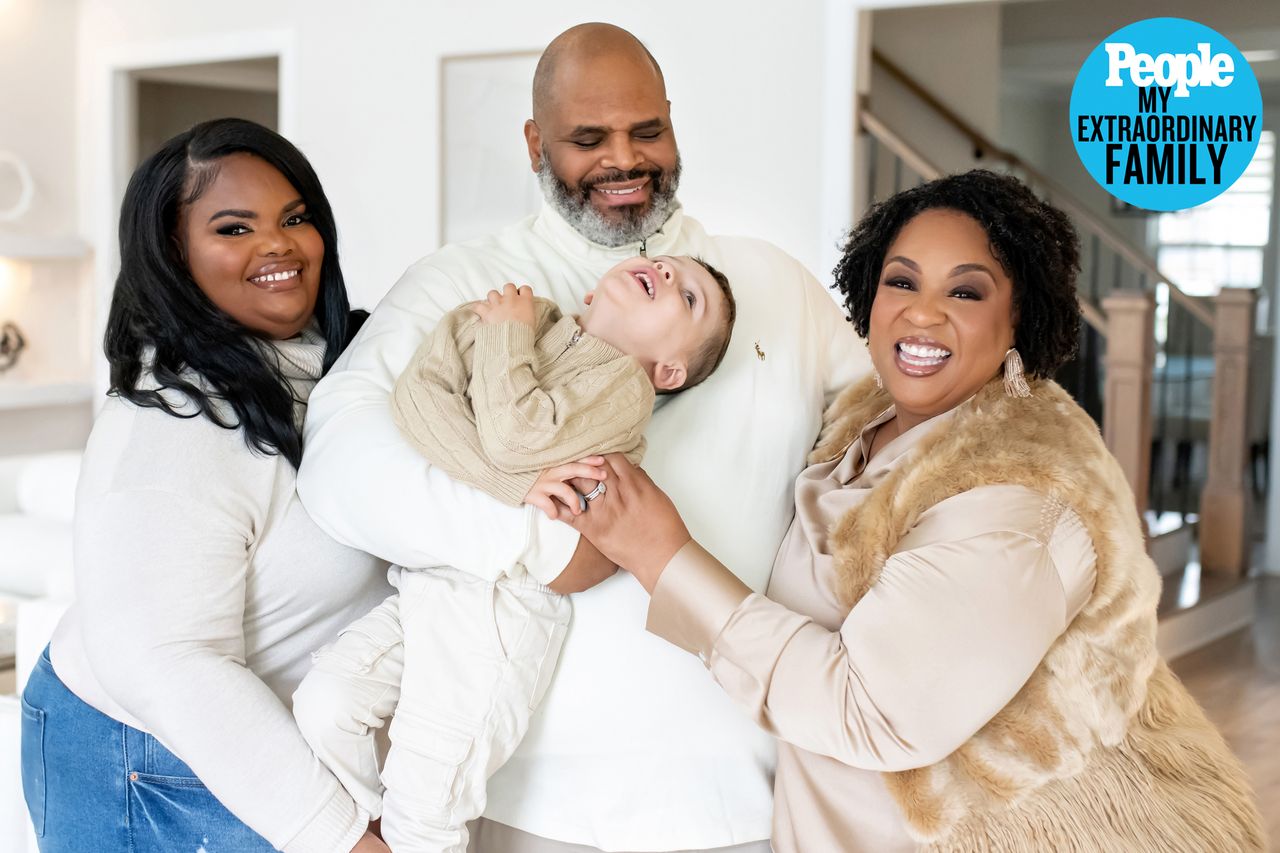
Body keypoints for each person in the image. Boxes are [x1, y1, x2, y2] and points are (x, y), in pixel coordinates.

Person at [566, 169, 1266, 852]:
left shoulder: (1022, 501)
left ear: (1018, 316)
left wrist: (664, 555)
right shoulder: (869, 419)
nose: (923, 312)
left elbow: (870, 709)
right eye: (902, 280)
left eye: (965, 290)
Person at [297, 22, 869, 853]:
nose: (624, 161)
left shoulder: (772, 282)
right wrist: (541, 540)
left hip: (748, 804)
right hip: (523, 811)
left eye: (647, 132)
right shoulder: (467, 286)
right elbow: (340, 458)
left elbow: (894, 444)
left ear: (673, 123)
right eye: (587, 139)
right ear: (535, 143)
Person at [20, 118, 393, 853]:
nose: (279, 244)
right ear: (173, 254)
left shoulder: (332, 366)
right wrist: (345, 837)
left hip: (242, 726)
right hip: (139, 749)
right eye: (234, 227)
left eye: (295, 218)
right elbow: (165, 662)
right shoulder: (173, 426)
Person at [293, 256, 735, 852]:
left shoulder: (623, 386)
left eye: (688, 298)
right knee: (327, 704)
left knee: (428, 804)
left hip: (501, 606)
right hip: (435, 577)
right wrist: (512, 482)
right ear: (589, 290)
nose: (664, 273)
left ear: (670, 370)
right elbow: (418, 402)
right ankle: (379, 828)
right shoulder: (532, 321)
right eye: (663, 264)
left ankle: (407, 833)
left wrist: (505, 339)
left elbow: (516, 436)